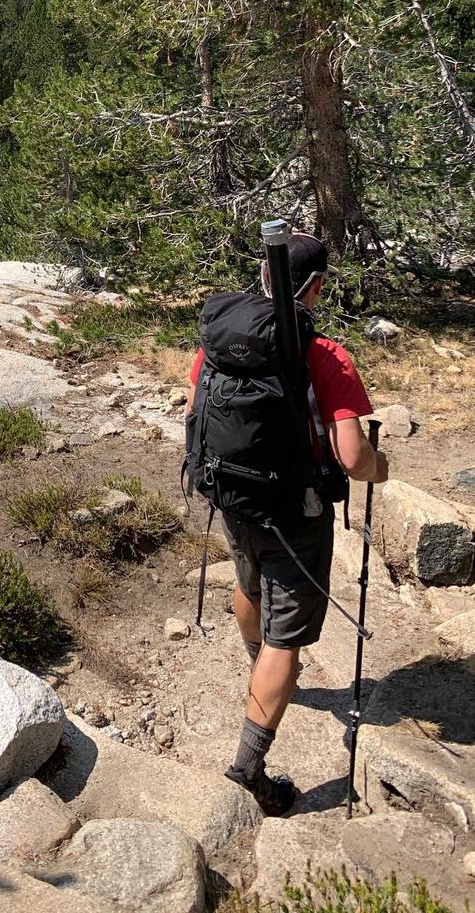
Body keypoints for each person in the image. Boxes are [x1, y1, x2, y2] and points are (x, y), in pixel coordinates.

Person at [186, 231, 389, 815]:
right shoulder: (324, 355)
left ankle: (260, 672)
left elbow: (193, 408)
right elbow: (352, 457)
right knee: (288, 638)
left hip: (232, 496)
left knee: (248, 584)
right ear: (316, 286)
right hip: (294, 513)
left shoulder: (221, 340)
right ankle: (248, 769)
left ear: (266, 277)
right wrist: (382, 467)